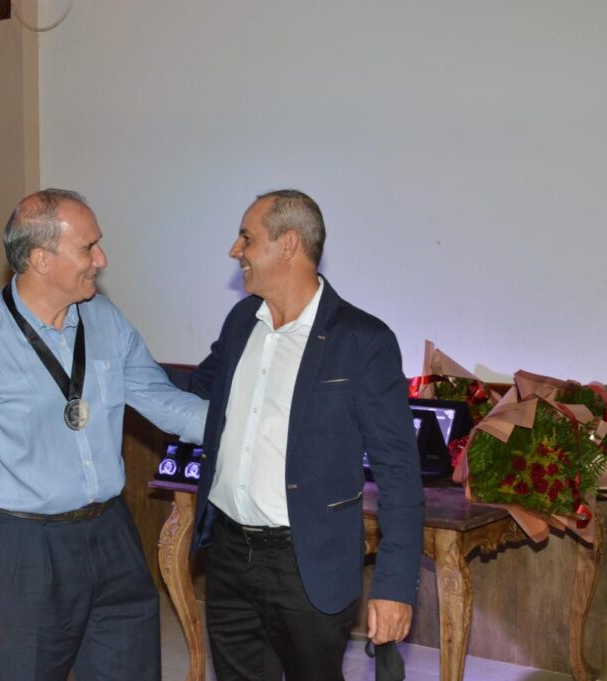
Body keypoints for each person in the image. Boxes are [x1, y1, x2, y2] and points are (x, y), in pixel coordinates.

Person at [0, 188, 207, 681]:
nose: (102, 259)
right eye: (87, 248)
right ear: (41, 259)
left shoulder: (106, 320)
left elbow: (165, 403)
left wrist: (258, 426)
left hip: (113, 535)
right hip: (21, 549)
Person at [179, 189, 424, 681]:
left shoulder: (362, 340)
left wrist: (395, 585)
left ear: (288, 244)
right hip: (228, 556)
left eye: (247, 238)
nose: (235, 250)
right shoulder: (240, 322)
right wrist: (112, 368)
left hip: (309, 563)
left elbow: (399, 471)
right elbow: (193, 390)